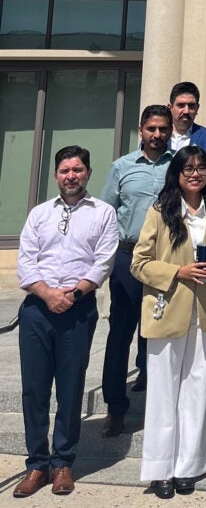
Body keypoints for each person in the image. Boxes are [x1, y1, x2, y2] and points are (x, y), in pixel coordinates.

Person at [14, 146, 118, 498]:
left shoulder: (103, 213)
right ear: (56, 175)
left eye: (77, 169)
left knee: (71, 388)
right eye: (64, 170)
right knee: (34, 390)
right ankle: (36, 465)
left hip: (78, 309)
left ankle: (62, 463)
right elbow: (26, 263)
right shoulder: (39, 214)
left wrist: (71, 295)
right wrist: (48, 295)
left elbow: (103, 261)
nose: (71, 175)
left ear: (88, 173)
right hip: (37, 311)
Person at [130, 146, 206, 499]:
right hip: (166, 309)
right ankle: (159, 469)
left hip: (204, 313)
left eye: (201, 167)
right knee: (163, 393)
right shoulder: (160, 211)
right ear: (177, 173)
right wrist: (177, 272)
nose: (195, 173)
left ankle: (188, 467)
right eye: (188, 168)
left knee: (197, 392)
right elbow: (138, 263)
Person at [99, 105, 174, 437]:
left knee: (161, 334)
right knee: (121, 334)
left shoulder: (180, 164)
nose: (157, 135)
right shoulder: (121, 167)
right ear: (141, 129)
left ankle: (161, 411)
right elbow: (106, 214)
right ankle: (115, 407)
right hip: (128, 260)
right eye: (151, 129)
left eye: (163, 129)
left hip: (168, 262)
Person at [167, 81, 206, 155]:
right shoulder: (158, 135)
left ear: (197, 108)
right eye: (181, 105)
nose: (186, 111)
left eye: (191, 106)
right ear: (170, 108)